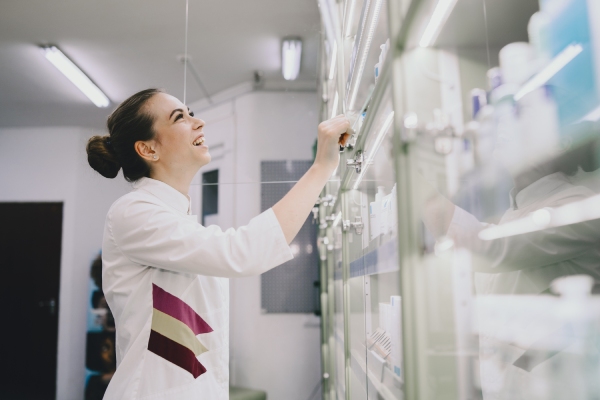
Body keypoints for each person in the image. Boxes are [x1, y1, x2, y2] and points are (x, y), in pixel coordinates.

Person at [86, 88, 349, 399]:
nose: (199, 123)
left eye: (190, 112)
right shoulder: (132, 213)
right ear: (148, 149)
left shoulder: (176, 218)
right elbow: (243, 252)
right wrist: (321, 168)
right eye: (179, 118)